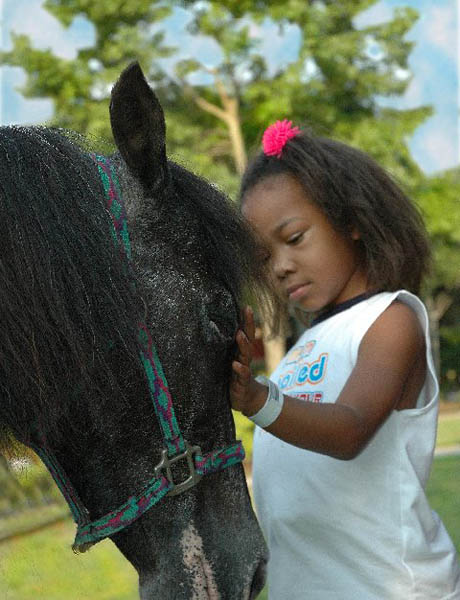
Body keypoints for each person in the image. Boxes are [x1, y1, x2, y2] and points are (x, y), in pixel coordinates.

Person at [230, 119, 460, 599]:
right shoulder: (299, 352)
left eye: (293, 238)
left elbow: (350, 429)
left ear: (350, 221)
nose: (280, 266)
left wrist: (255, 399)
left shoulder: (390, 319)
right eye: (263, 257)